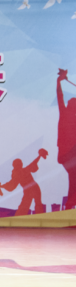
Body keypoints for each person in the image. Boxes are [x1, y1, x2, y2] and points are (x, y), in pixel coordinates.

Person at [1, 149, 48, 216]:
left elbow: (33, 163)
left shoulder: (22, 171)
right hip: (29, 190)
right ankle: (21, 217)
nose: (19, 165)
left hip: (34, 188)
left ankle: (38, 216)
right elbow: (12, 184)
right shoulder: (18, 173)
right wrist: (2, 186)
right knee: (26, 205)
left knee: (34, 204)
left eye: (19, 164)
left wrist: (39, 156)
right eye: (17, 164)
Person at [56, 69, 76, 209]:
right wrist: (59, 81)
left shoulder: (70, 116)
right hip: (68, 153)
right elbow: (59, 95)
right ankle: (70, 203)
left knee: (73, 179)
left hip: (69, 154)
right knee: (74, 178)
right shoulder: (64, 113)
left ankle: (70, 203)